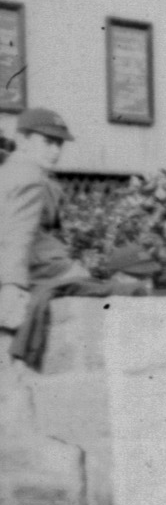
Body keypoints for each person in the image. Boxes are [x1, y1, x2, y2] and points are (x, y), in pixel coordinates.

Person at [0, 108, 88, 363]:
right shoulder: (30, 177)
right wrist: (12, 285)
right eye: (47, 142)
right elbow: (19, 233)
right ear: (23, 139)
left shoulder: (9, 170)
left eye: (59, 144)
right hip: (34, 266)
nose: (55, 151)